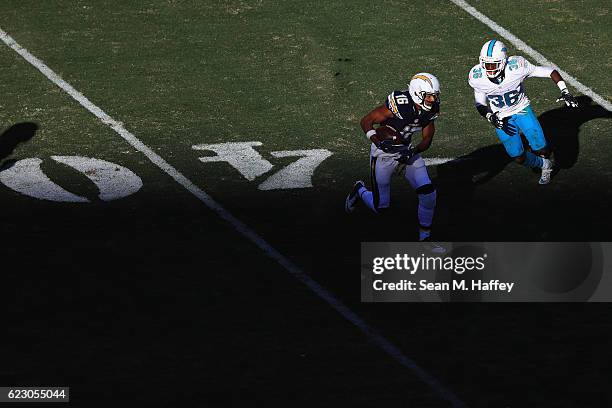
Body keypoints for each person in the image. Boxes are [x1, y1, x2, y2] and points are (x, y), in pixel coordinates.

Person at [345, 73, 440, 242]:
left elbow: (427, 138)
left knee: (429, 194)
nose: (432, 100)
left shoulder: (430, 110)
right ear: (417, 93)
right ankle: (359, 190)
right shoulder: (399, 104)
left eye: (434, 96)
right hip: (383, 154)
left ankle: (425, 238)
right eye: (429, 96)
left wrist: (413, 151)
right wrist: (379, 143)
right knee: (381, 207)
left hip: (406, 151)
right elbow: (366, 121)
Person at [468, 39, 579, 184]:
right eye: (485, 64)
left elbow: (550, 71)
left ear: (503, 62)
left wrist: (564, 90)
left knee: (541, 147)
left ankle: (545, 160)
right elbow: (480, 103)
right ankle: (543, 164)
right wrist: (490, 116)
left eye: (492, 65)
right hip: (501, 118)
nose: (488, 69)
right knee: (517, 157)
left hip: (521, 109)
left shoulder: (517, 67)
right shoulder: (477, 77)